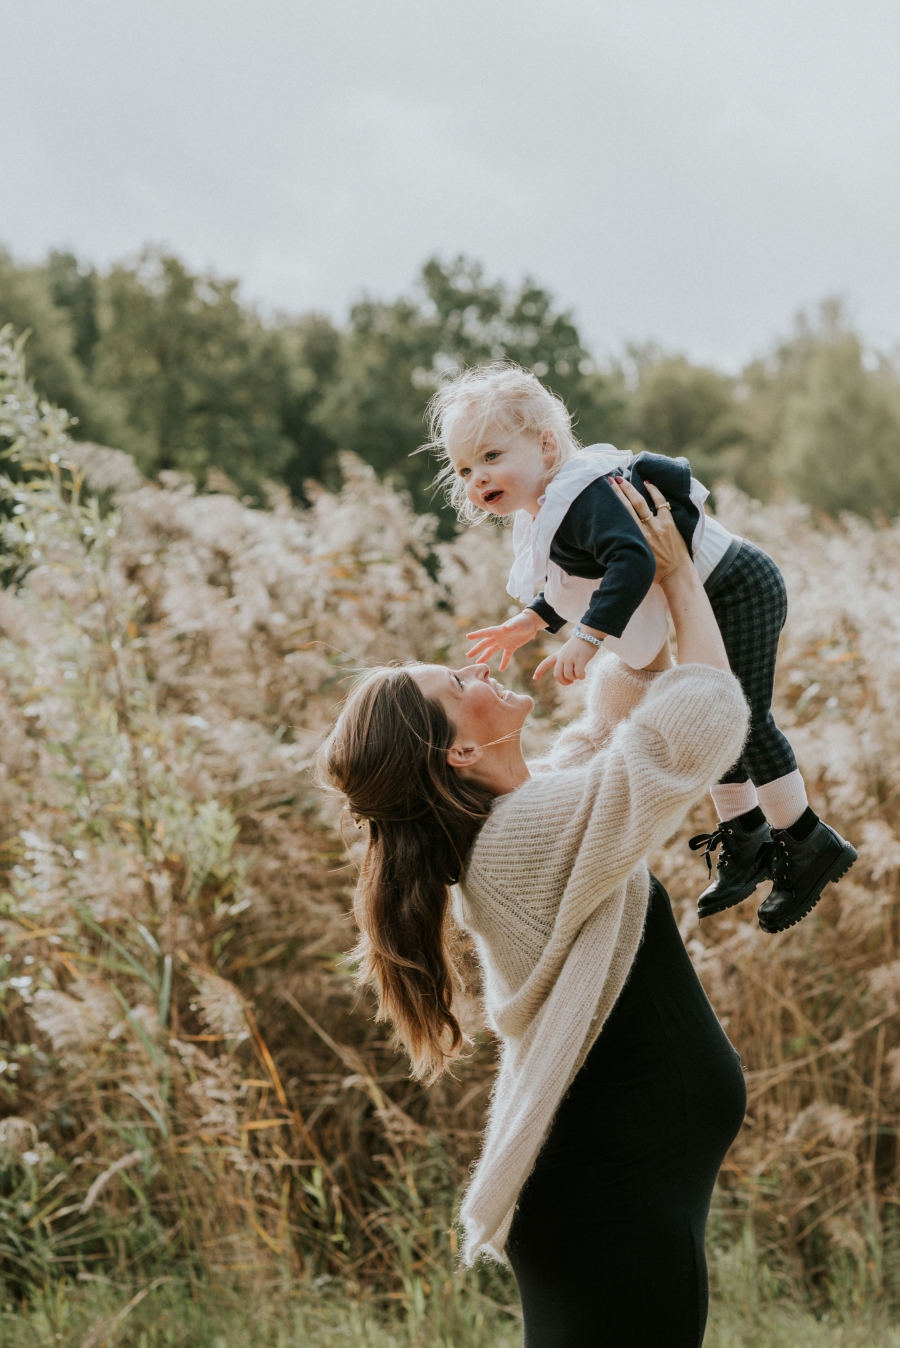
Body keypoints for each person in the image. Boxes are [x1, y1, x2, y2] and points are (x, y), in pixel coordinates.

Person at [318, 488, 748, 1346]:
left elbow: (604, 733)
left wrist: (627, 599)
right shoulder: (521, 842)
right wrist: (681, 584)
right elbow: (691, 728)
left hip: (624, 1190)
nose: (481, 668)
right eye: (458, 682)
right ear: (459, 751)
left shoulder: (525, 818)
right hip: (613, 1199)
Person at [425, 362, 857, 934]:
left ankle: (808, 842)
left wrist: (587, 639)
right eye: (465, 468)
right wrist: (529, 623)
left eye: (492, 456)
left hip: (739, 585)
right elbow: (581, 580)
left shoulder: (583, 495)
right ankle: (748, 837)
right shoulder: (548, 512)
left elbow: (630, 562)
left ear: (546, 445)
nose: (477, 477)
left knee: (742, 720)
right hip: (709, 595)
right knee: (721, 725)